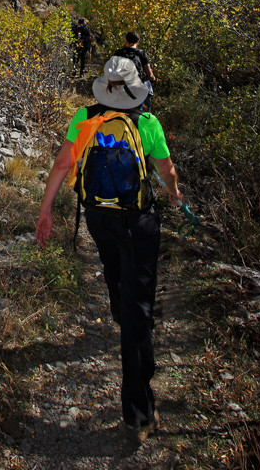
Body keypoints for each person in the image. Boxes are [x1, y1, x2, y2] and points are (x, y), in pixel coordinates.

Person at [35, 56, 182, 444]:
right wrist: (173, 192)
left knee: (112, 266)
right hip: (138, 221)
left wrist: (45, 211)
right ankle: (138, 412)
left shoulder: (83, 115)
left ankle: (120, 304)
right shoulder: (147, 123)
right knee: (140, 313)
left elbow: (64, 164)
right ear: (135, 89)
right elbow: (165, 169)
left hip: (98, 215)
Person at [114, 31, 155, 101]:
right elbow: (149, 74)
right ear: (137, 42)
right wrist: (153, 78)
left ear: (126, 40)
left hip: (120, 87)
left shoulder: (118, 53)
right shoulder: (142, 54)